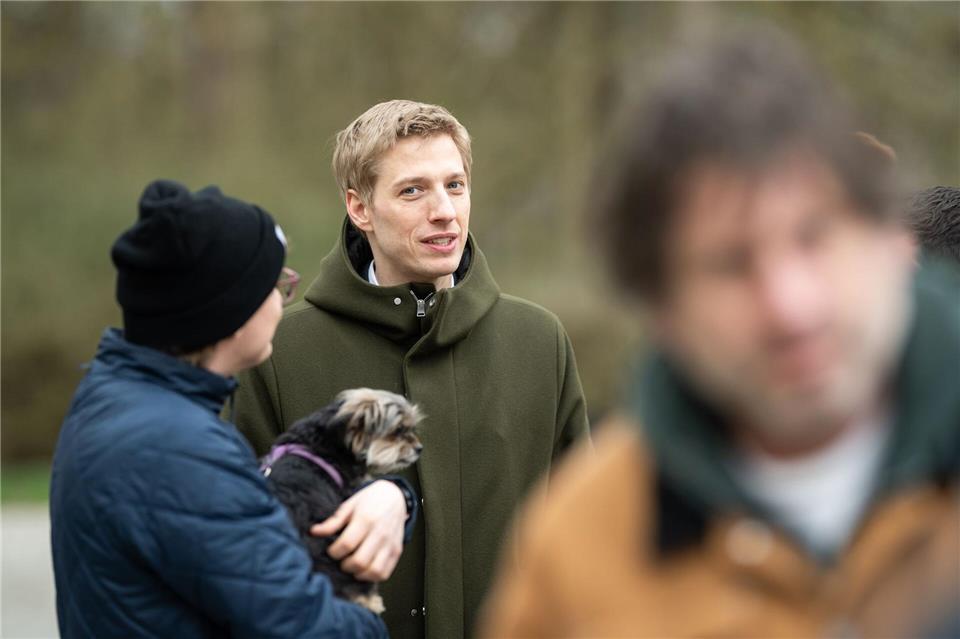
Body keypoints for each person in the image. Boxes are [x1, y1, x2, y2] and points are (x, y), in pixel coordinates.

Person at [480, 30, 959, 638]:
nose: (792, 304)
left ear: (880, 234)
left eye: (813, 236)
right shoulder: (579, 548)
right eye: (732, 265)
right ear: (662, 308)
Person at [231, 100, 590, 638]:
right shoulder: (279, 350)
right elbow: (238, 548)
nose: (444, 210)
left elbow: (586, 544)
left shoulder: (539, 341)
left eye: (456, 185)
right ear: (360, 209)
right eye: (413, 190)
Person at [50, 180, 390, 638]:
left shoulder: (118, 398)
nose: (281, 298)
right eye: (276, 284)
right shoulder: (178, 449)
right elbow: (303, 627)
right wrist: (368, 625)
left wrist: (393, 500)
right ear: (229, 314)